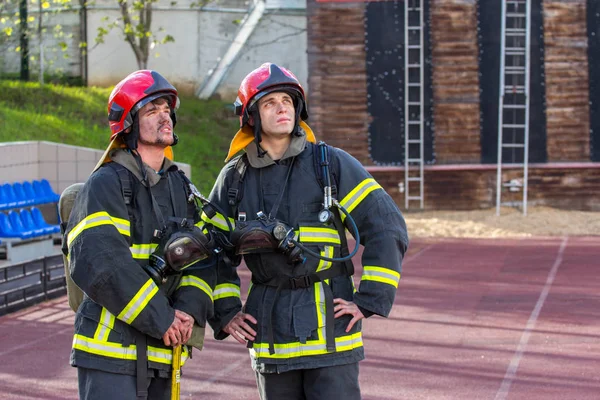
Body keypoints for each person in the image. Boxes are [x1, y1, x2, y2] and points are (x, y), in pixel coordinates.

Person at [203, 62, 409, 399]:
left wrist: (370, 299)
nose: (282, 107)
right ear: (251, 116)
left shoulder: (331, 164)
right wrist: (225, 312)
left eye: (287, 100)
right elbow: (210, 250)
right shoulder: (234, 178)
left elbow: (386, 227)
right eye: (269, 102)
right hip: (270, 333)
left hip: (331, 329)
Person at [64, 70, 215, 399]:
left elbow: (202, 258)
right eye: (152, 110)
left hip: (165, 351)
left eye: (167, 109)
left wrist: (189, 310)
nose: (165, 116)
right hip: (110, 355)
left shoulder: (182, 186)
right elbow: (101, 262)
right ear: (128, 125)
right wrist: (162, 317)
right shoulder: (105, 184)